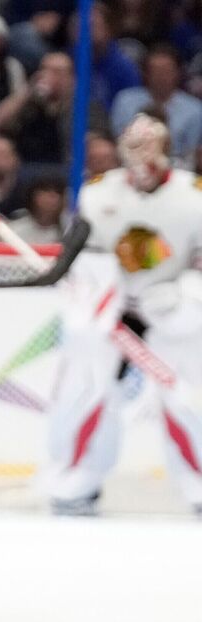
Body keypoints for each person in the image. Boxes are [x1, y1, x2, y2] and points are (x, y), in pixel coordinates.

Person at [45, 114, 202, 516]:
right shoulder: (99, 195)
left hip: (173, 310)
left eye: (150, 152)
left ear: (168, 152)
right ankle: (75, 481)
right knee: (87, 388)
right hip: (115, 306)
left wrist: (187, 294)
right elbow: (83, 257)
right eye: (133, 152)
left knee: (185, 398)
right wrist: (96, 298)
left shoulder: (194, 197)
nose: (141, 164)